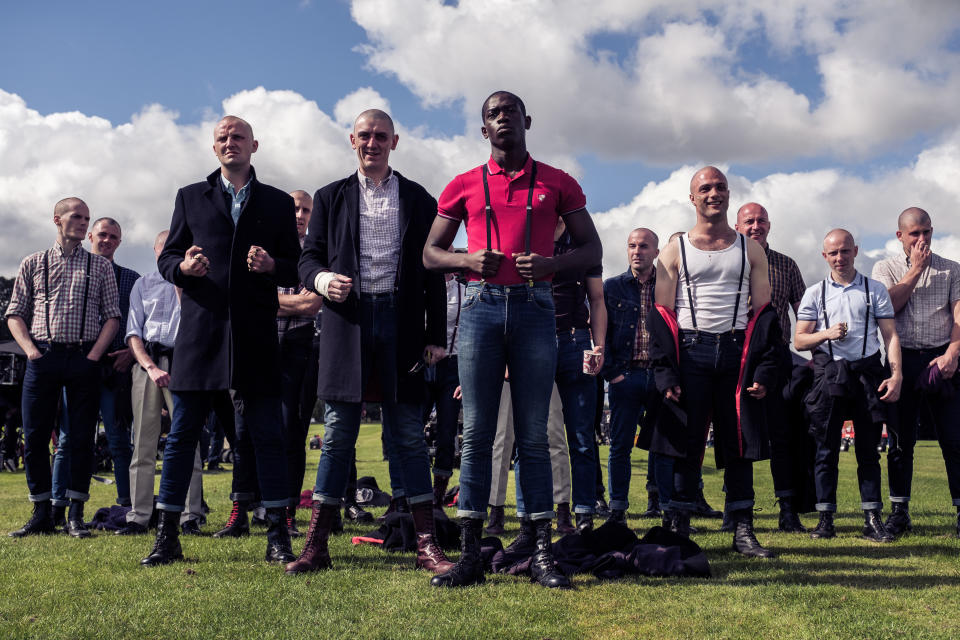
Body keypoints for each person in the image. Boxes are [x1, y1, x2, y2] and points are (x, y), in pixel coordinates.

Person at [423, 91, 602, 588]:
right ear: (484, 130)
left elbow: (592, 247)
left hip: (535, 307)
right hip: (480, 310)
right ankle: (471, 556)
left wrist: (551, 264)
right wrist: (465, 260)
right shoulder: (463, 184)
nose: (503, 119)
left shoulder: (557, 182)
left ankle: (541, 551)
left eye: (510, 112)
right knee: (478, 435)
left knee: (534, 436)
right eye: (493, 114)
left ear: (527, 120)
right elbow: (429, 254)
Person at [287, 109, 451, 576]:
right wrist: (320, 280)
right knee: (338, 434)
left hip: (402, 328)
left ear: (394, 142)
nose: (372, 143)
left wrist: (436, 336)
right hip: (347, 324)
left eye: (380, 136)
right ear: (352, 141)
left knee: (408, 437)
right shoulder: (329, 196)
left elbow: (433, 270)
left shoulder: (419, 198)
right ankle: (316, 545)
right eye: (364, 136)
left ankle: (426, 545)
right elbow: (308, 259)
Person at [141, 115, 302, 566]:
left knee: (268, 434)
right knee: (182, 437)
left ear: (255, 145)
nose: (230, 143)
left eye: (238, 137)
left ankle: (277, 536)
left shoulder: (274, 202)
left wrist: (273, 266)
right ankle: (167, 536)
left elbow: (296, 263)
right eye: (222, 138)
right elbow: (168, 257)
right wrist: (182, 268)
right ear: (214, 148)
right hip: (200, 332)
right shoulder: (190, 196)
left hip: (255, 334)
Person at [650, 166, 779, 558]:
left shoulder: (749, 249)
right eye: (705, 188)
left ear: (728, 194)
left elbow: (765, 314)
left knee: (739, 442)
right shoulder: (675, 249)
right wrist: (664, 370)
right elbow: (659, 313)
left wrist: (764, 368)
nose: (714, 193)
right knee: (685, 444)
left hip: (737, 353)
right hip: (691, 351)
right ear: (693, 198)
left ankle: (742, 530)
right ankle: (679, 528)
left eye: (720, 187)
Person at [5, 197, 120, 538]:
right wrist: (31, 352)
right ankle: (41, 510)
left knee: (82, 438)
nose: (84, 222)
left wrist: (93, 356)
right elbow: (15, 314)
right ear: (57, 219)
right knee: (36, 436)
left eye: (87, 217)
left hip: (83, 357)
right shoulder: (33, 262)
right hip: (43, 356)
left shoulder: (99, 267)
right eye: (76, 216)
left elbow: (112, 316)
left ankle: (75, 513)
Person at [795, 229, 902, 542]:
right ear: (824, 256)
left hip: (867, 373)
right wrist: (825, 334)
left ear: (855, 251)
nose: (839, 258)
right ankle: (825, 519)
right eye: (833, 253)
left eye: (844, 251)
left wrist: (895, 375)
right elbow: (800, 339)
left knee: (868, 452)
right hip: (829, 376)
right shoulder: (815, 293)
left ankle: (872, 519)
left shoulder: (874, 289)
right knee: (825, 450)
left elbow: (890, 336)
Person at [872, 208, 960, 538]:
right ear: (900, 237)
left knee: (954, 440)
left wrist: (952, 354)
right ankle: (899, 512)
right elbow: (887, 307)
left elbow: (959, 317)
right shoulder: (885, 268)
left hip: (942, 359)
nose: (921, 239)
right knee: (899, 442)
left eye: (926, 232)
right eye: (914, 234)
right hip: (902, 360)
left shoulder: (952, 270)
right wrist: (916, 270)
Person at [117, 230, 204, 536]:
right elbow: (133, 333)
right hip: (148, 365)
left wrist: (182, 283)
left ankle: (191, 515)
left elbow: (197, 325)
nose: (169, 253)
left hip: (184, 363)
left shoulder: (196, 282)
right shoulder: (143, 284)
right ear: (155, 252)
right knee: (142, 443)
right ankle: (139, 516)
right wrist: (151, 367)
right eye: (163, 249)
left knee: (187, 442)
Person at [735, 203, 809, 532]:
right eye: (749, 221)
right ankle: (734, 509)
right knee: (735, 433)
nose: (756, 226)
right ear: (737, 225)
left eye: (761, 220)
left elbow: (804, 311)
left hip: (776, 354)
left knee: (781, 434)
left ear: (769, 225)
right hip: (736, 354)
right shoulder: (727, 261)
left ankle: (788, 509)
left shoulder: (786, 265)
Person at [601, 228, 669, 523]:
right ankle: (618, 510)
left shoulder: (669, 286)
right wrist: (612, 374)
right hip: (625, 377)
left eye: (644, 246)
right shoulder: (612, 287)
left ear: (656, 253)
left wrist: (671, 376)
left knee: (664, 446)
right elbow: (599, 332)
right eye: (632, 245)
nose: (637, 251)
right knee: (620, 447)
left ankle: (666, 509)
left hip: (659, 376)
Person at [276, 190, 324, 536]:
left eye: (306, 209)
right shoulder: (266, 247)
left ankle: (289, 509)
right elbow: (249, 297)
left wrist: (271, 301)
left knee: (295, 430)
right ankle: (257, 506)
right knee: (257, 429)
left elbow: (312, 305)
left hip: (303, 346)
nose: (299, 214)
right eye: (294, 208)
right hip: (266, 346)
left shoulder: (316, 252)